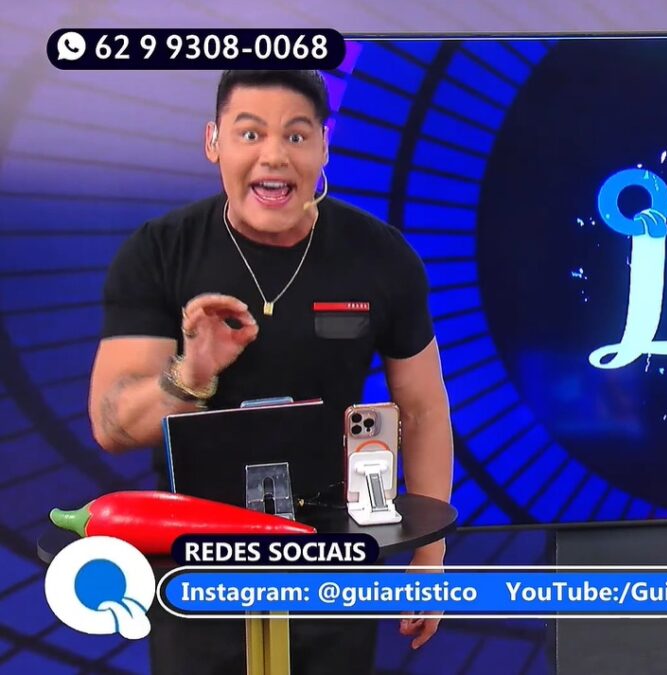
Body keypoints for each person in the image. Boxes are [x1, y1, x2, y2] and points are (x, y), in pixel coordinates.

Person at [86, 70, 454, 674]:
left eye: (296, 136)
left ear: (324, 146)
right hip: (194, 564)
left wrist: (430, 555)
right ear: (214, 142)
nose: (274, 156)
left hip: (335, 562)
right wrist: (193, 372)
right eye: (250, 133)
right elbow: (112, 426)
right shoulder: (160, 252)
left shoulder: (381, 256)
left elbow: (422, 409)